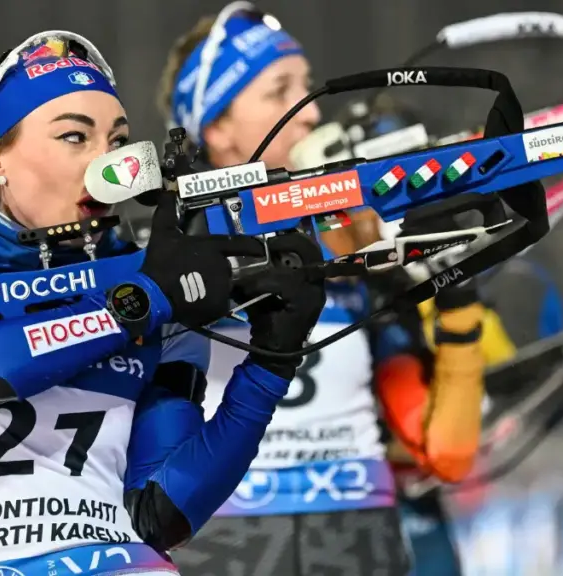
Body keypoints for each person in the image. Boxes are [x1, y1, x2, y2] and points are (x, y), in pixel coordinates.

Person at [0, 30, 326, 576]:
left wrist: (270, 364)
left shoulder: (153, 282)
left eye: (118, 142)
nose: (106, 165)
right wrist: (141, 300)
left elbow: (157, 516)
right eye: (75, 137)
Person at [156, 5, 511, 575]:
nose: (310, 112)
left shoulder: (347, 240)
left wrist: (454, 291)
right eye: (280, 93)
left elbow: (445, 449)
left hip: (357, 535)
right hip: (220, 540)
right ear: (215, 128)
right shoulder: (162, 251)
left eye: (306, 88)